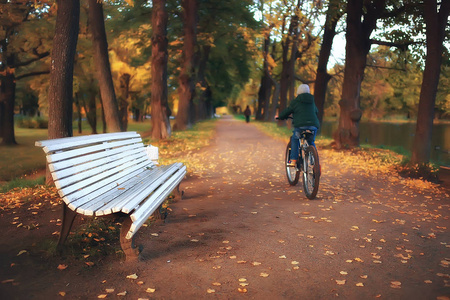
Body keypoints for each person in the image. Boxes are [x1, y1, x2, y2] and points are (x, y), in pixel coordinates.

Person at [277, 84, 320, 167]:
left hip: (301, 126)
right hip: (313, 125)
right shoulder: (312, 101)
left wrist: (280, 117)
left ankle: (293, 160)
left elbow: (287, 111)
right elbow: (316, 111)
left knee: (295, 138)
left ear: (298, 92)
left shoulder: (296, 101)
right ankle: (313, 160)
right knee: (311, 141)